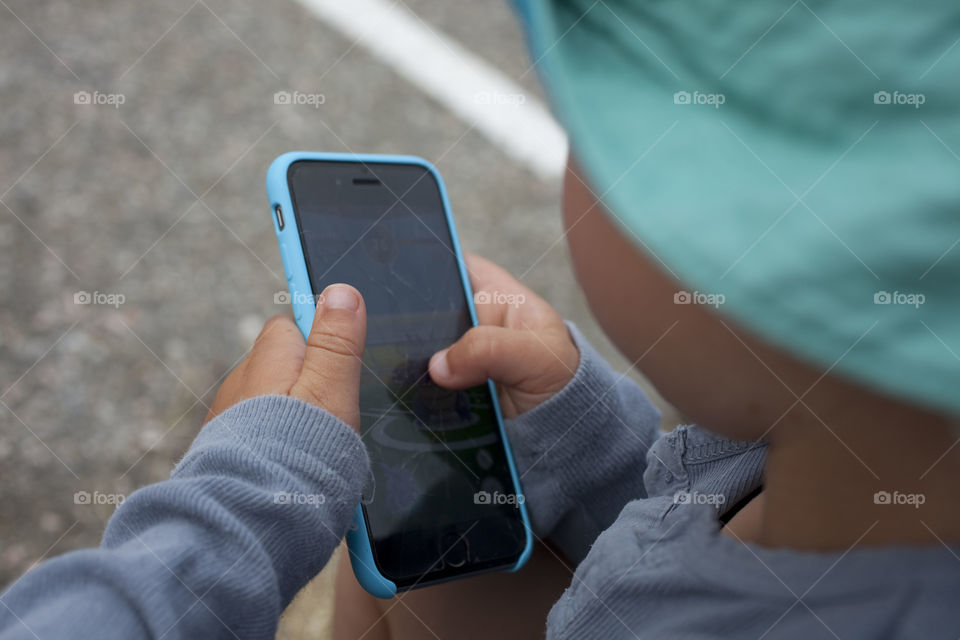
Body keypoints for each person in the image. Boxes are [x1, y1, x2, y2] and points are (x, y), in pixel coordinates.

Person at [4, 1, 960, 639]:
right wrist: (588, 447)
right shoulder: (837, 498)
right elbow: (675, 549)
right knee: (428, 566)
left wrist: (247, 510)